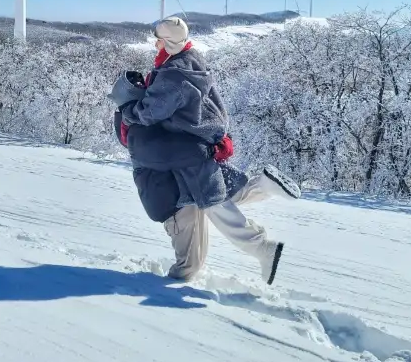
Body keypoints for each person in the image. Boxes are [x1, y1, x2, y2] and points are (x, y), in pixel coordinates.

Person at [110, 16, 300, 285]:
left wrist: (129, 110)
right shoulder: (194, 62)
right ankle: (264, 188)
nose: (155, 44)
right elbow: (212, 106)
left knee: (212, 202)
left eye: (159, 39)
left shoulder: (173, 75)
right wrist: (219, 134)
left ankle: (262, 248)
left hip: (190, 147)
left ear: (168, 42)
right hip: (204, 138)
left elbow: (151, 112)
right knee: (222, 192)